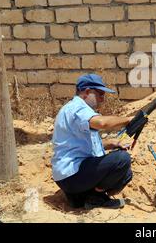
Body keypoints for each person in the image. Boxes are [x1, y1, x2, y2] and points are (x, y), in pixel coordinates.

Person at [51, 73, 133, 209]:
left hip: (72, 176)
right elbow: (102, 123)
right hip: (72, 175)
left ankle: (82, 198)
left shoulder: (81, 112)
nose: (102, 99)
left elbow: (85, 144)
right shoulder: (77, 108)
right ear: (87, 92)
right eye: (100, 94)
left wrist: (112, 143)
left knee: (126, 173)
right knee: (122, 159)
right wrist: (128, 120)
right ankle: (96, 197)